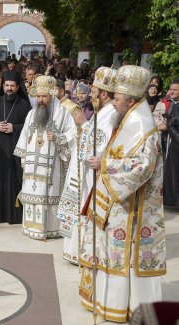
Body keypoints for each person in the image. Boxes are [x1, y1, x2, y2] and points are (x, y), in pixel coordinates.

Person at [79, 65, 166, 323]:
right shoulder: (127, 118)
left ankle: (123, 306)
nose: (113, 103)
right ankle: (108, 302)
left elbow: (143, 167)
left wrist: (105, 165)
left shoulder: (143, 125)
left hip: (132, 206)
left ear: (131, 101)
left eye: (117, 99)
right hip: (117, 201)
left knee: (123, 254)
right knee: (111, 251)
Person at [57, 67, 119, 264]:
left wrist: (83, 124)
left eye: (93, 92)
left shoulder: (110, 115)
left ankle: (83, 252)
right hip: (83, 175)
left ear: (103, 93)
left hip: (92, 176)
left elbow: (101, 144)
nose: (91, 96)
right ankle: (76, 250)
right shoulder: (103, 112)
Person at [14, 75, 76, 240]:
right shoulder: (31, 113)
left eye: (44, 96)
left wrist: (57, 138)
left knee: (50, 194)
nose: (41, 100)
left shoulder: (63, 114)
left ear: (52, 95)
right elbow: (24, 137)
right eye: (38, 96)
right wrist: (23, 160)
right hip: (32, 166)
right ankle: (31, 228)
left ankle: (50, 230)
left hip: (53, 167)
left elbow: (73, 136)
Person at [0, 71, 31, 223]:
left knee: (13, 182)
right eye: (7, 85)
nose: (9, 88)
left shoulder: (24, 106)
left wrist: (14, 128)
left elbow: (31, 127)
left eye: (12, 86)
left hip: (14, 155)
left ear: (17, 87)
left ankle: (13, 216)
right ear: (3, 86)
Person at [161, 79, 179, 209]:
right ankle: (173, 201)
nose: (171, 91)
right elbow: (171, 125)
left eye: (175, 89)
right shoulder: (173, 104)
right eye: (171, 89)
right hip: (176, 145)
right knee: (173, 172)